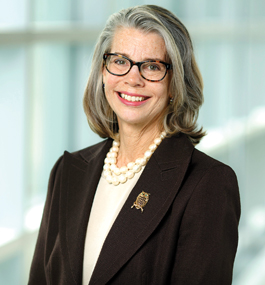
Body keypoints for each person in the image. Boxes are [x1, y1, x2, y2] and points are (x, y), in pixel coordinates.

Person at [28, 4, 240, 285]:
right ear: (103, 71)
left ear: (175, 83)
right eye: (119, 61)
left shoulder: (207, 184)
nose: (132, 78)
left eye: (152, 66)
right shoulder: (68, 170)